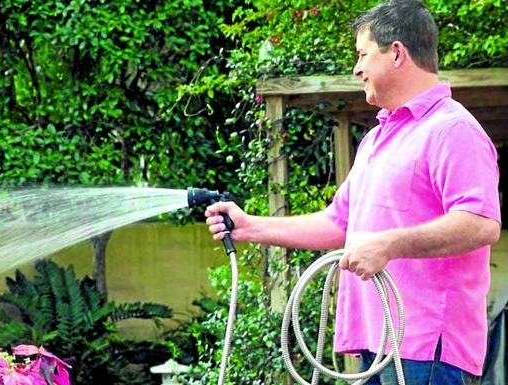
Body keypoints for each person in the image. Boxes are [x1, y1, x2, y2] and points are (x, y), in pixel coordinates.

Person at [204, 1, 502, 384]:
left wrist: (389, 244)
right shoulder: (377, 139)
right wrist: (250, 227)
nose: (356, 68)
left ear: (396, 53)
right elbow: (339, 223)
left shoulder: (453, 130)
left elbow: (481, 224)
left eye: (362, 55)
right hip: (374, 342)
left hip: (424, 348)